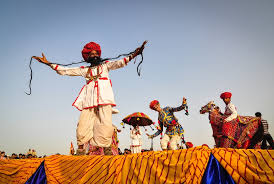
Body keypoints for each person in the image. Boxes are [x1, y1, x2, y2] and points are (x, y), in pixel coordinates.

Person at [33, 41, 146, 155]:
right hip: (88, 101)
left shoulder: (106, 65)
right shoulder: (84, 70)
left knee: (105, 124)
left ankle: (107, 150)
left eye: (96, 53)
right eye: (91, 54)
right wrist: (48, 63)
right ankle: (80, 151)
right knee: (82, 126)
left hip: (104, 99)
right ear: (88, 57)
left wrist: (135, 54)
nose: (94, 55)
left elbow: (120, 62)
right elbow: (66, 71)